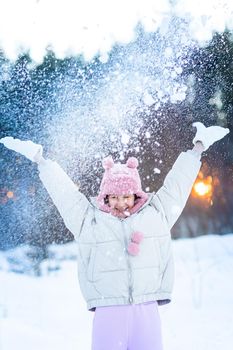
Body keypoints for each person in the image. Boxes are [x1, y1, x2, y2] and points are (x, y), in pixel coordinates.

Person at [0, 122, 229, 350]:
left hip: (146, 307)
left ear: (136, 194)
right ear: (105, 197)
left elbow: (177, 185)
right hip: (108, 310)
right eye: (114, 197)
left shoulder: (156, 213)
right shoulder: (88, 220)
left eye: (126, 196)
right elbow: (65, 195)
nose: (121, 203)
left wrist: (198, 147)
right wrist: (41, 160)